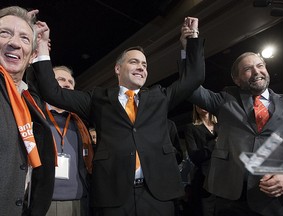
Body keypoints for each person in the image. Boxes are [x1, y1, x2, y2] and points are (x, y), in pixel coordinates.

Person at [28, 15, 205, 216]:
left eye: (144, 65)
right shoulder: (98, 99)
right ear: (118, 69)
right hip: (114, 197)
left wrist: (191, 40)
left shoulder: (159, 97)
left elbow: (194, 77)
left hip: (158, 195)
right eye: (134, 62)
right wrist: (42, 47)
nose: (141, 67)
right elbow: (53, 92)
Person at [180, 17, 283, 216]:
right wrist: (190, 46)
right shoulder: (226, 99)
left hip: (275, 201)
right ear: (237, 80)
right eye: (247, 69)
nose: (256, 72)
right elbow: (190, 88)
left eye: (260, 65)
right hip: (230, 199)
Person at [0, 6, 55, 215]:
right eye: (4, 33)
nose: (14, 42)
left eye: (23, 39)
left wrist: (37, 42)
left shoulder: (30, 100)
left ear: (31, 56)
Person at [43, 66, 93, 216]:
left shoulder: (81, 123)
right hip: (43, 203)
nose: (67, 84)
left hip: (78, 203)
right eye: (61, 80)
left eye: (71, 82)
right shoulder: (35, 116)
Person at [183, 105, 217, 216]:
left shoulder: (221, 125)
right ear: (195, 108)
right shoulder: (191, 128)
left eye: (205, 102)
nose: (202, 105)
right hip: (206, 180)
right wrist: (214, 143)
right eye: (199, 103)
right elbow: (194, 157)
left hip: (228, 177)